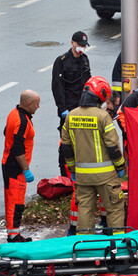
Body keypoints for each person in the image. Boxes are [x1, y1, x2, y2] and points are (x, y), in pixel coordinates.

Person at [61, 76, 126, 235]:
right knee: (115, 208)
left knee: (85, 210)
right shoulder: (103, 116)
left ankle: (84, 247)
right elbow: (112, 145)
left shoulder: (71, 116)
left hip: (82, 176)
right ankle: (118, 246)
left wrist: (73, 169)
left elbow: (66, 147)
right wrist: (120, 166)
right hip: (106, 175)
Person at [1, 89, 41, 243]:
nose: (38, 107)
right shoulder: (22, 121)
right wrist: (26, 169)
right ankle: (13, 236)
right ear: (29, 104)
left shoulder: (14, 113)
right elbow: (18, 148)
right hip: (15, 168)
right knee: (15, 202)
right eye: (37, 104)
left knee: (13, 201)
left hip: (9, 163)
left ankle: (14, 233)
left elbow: (7, 132)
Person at [51, 31, 91, 177]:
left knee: (82, 142)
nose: (82, 48)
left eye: (84, 46)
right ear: (73, 43)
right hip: (68, 109)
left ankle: (79, 171)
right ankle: (64, 175)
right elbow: (57, 87)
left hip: (82, 107)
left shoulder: (85, 60)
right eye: (80, 45)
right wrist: (62, 108)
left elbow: (88, 84)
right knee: (65, 144)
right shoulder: (62, 61)